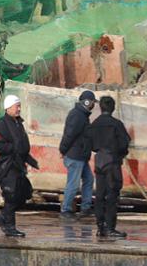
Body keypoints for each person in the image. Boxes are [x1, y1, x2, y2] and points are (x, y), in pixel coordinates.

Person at [0, 95, 39, 237]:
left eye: (19, 106)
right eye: (16, 106)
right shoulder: (1, 124)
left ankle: (3, 218)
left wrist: (30, 160)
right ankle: (10, 227)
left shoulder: (18, 123)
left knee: (24, 194)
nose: (19, 109)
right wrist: (12, 148)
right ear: (8, 107)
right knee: (12, 195)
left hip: (19, 164)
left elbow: (22, 145)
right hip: (8, 165)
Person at [88, 96, 131, 237]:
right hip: (112, 161)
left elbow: (91, 144)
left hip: (99, 160)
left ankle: (100, 227)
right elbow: (124, 143)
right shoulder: (116, 124)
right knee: (112, 195)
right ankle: (110, 228)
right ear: (113, 108)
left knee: (99, 195)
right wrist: (121, 154)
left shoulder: (94, 124)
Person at [59, 90, 96, 219]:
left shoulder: (82, 115)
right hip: (75, 156)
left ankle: (86, 207)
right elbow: (69, 135)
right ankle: (66, 209)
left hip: (81, 156)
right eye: (92, 102)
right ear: (86, 102)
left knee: (89, 179)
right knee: (73, 184)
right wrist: (62, 150)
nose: (93, 105)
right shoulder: (78, 115)